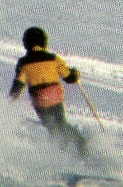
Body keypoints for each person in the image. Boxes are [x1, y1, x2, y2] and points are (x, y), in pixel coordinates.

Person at [9, 26, 90, 156]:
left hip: (40, 99)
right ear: (44, 42)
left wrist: (11, 98)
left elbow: (19, 82)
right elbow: (68, 76)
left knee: (52, 126)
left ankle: (64, 150)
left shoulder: (23, 63)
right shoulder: (53, 58)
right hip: (55, 96)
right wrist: (74, 74)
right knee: (60, 122)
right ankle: (81, 146)